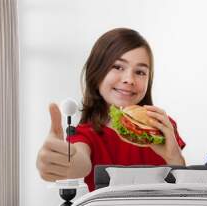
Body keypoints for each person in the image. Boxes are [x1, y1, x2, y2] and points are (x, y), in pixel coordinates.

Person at [36, 28, 186, 192]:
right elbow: (80, 162)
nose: (129, 79)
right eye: (118, 67)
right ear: (96, 72)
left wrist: (174, 157)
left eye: (140, 72)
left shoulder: (164, 126)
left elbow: (182, 188)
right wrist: (60, 163)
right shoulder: (86, 134)